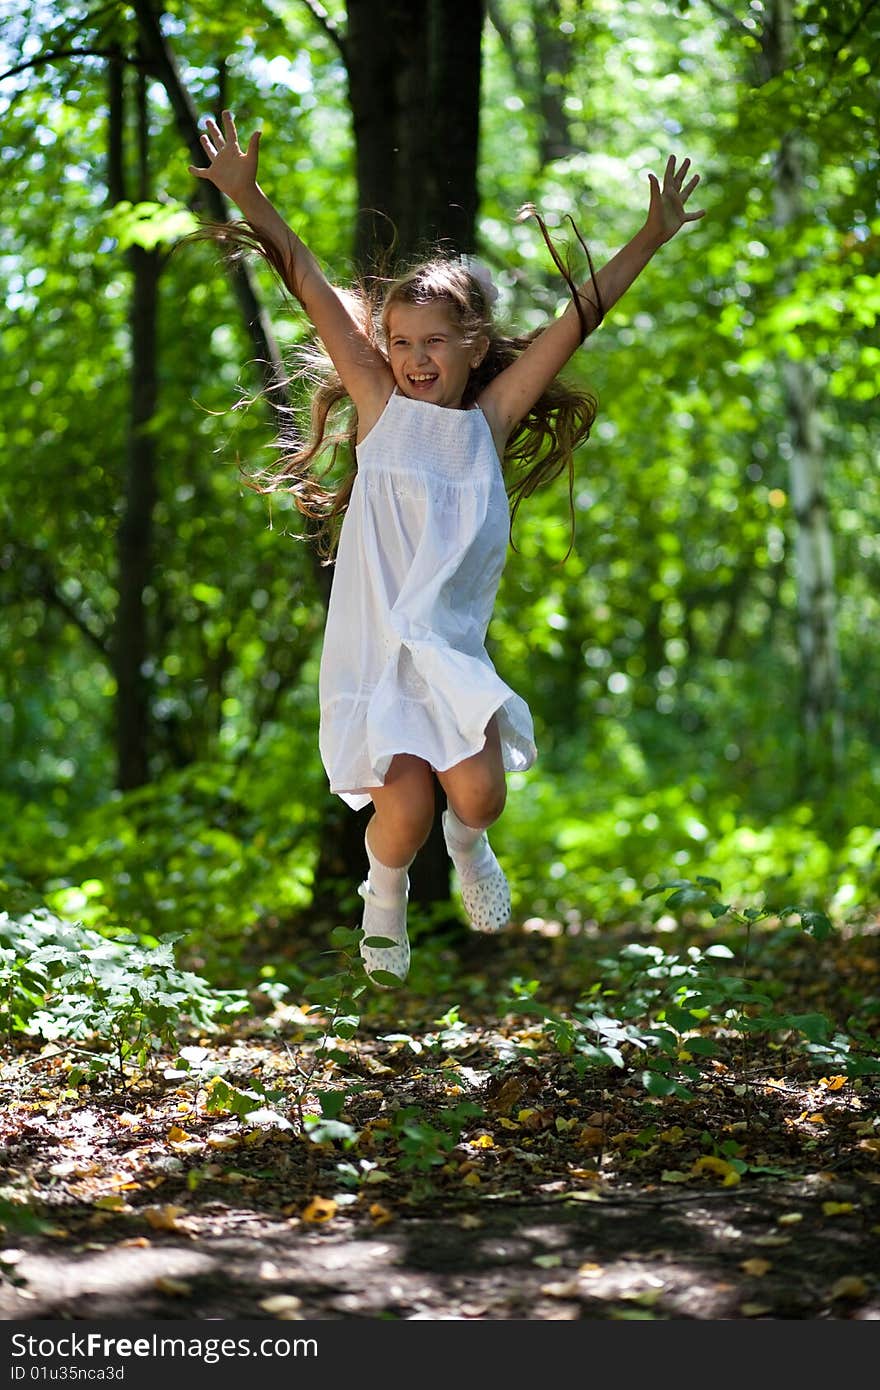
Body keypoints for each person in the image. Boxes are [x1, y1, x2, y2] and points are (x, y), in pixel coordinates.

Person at [189, 111, 704, 987]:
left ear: (472, 345)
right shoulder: (378, 408)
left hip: (448, 648)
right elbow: (310, 284)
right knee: (404, 810)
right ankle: (381, 896)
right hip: (377, 647)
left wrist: (649, 237)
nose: (414, 358)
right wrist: (251, 197)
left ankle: (473, 852)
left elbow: (581, 318)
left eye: (434, 342)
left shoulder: (488, 424)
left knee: (478, 796)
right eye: (400, 343)